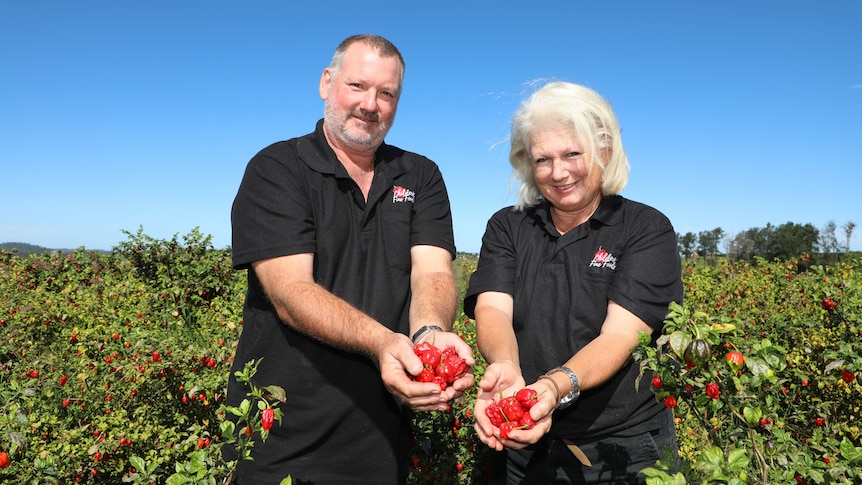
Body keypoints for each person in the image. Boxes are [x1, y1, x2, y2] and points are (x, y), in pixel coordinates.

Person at [225, 34, 474, 485]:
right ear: (326, 83)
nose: (370, 104)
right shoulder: (277, 168)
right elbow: (290, 292)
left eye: (386, 93)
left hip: (380, 433)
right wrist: (382, 342)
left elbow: (433, 272)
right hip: (276, 434)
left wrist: (430, 333)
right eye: (357, 86)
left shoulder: (420, 175)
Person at [466, 81, 683, 484]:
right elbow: (493, 307)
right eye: (543, 159)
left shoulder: (644, 229)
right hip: (522, 440)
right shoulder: (509, 227)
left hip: (621, 448)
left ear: (603, 151)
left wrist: (552, 387)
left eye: (571, 154)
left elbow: (621, 336)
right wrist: (506, 367)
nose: (558, 172)